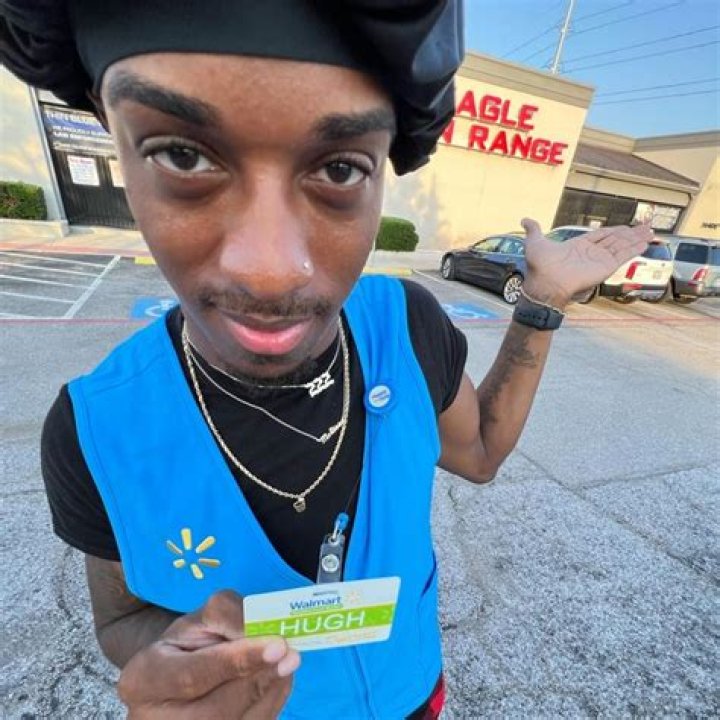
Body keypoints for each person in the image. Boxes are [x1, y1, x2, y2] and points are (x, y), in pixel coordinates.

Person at [1, 1, 652, 717]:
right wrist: (177, 657)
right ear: (111, 133)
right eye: (181, 155)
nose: (270, 272)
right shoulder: (97, 428)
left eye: (340, 169)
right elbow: (121, 621)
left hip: (414, 696)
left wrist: (541, 304)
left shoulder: (406, 328)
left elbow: (481, 454)